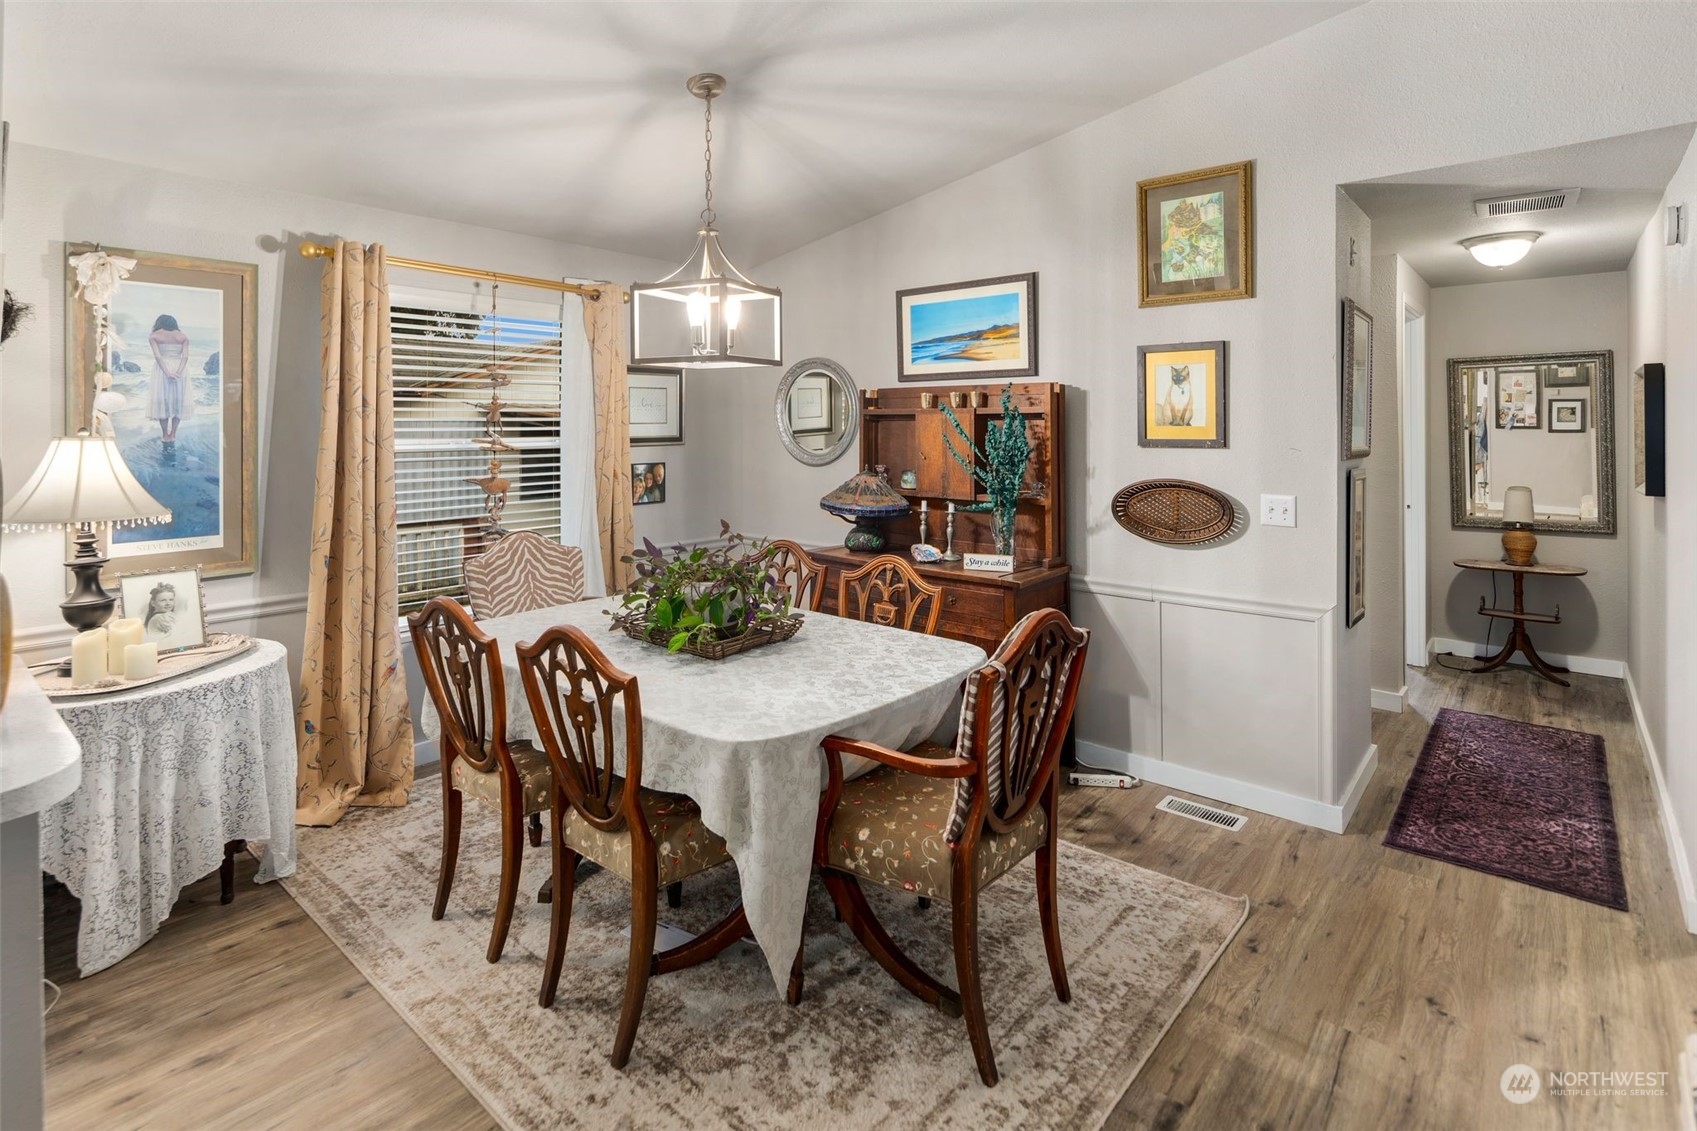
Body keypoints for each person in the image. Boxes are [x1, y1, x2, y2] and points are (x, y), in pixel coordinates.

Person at [147, 314, 192, 457]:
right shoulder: (183, 337)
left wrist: (167, 373)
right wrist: (178, 372)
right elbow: (185, 357)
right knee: (178, 401)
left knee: (163, 401)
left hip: (162, 369)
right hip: (180, 368)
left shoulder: (154, 336)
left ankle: (165, 435)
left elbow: (158, 356)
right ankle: (173, 434)